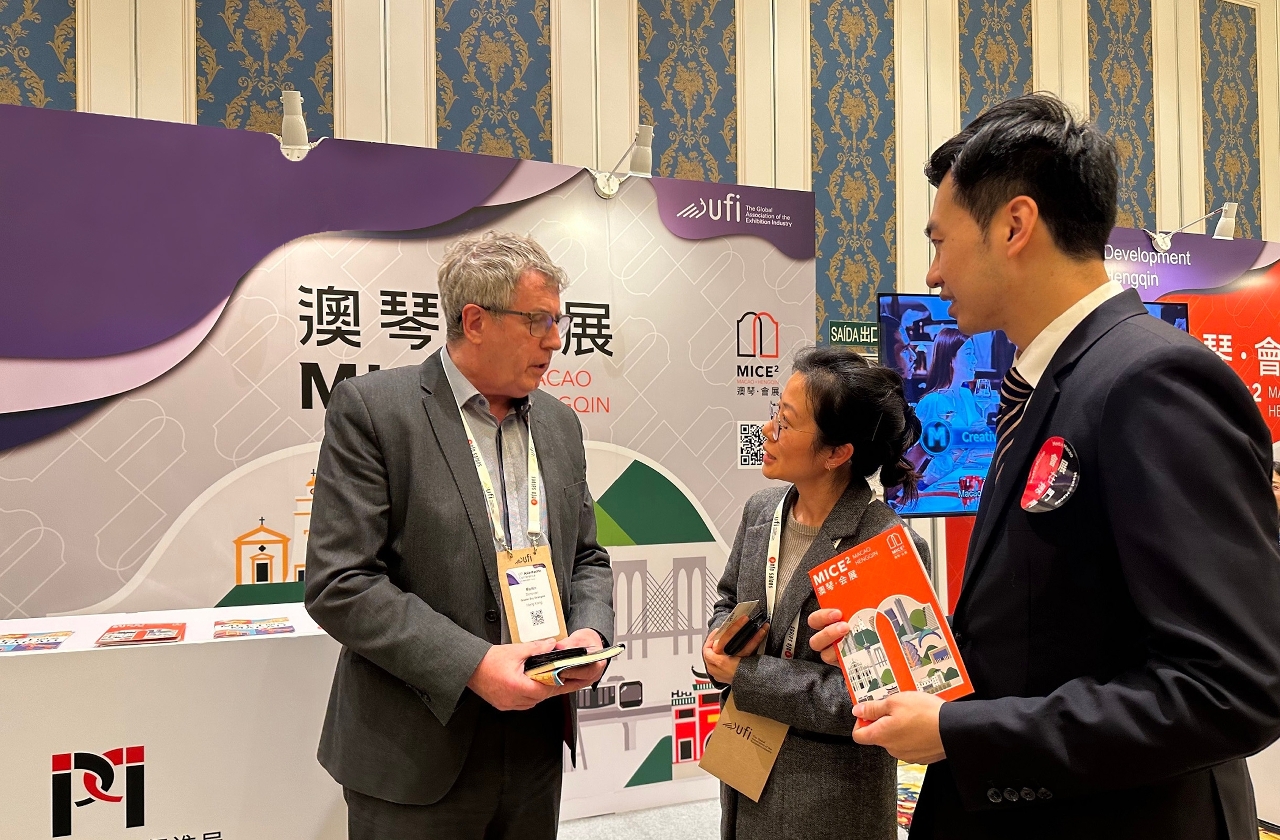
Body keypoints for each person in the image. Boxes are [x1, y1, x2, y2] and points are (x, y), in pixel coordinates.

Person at [808, 93, 1280, 839]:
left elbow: (1230, 688)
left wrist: (964, 733)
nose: (933, 272)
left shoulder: (1150, 381)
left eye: (941, 240)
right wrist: (902, 653)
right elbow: (1055, 624)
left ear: (1014, 225)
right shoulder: (1049, 384)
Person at [304, 231, 615, 839]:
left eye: (559, 321)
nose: (555, 340)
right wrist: (473, 665)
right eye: (538, 321)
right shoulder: (374, 410)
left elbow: (586, 557)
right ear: (475, 321)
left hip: (533, 745)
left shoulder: (559, 424)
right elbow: (340, 581)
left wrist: (590, 633)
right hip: (414, 752)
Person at [704, 347, 931, 840]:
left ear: (836, 453)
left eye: (785, 423)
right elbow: (728, 598)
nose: (766, 431)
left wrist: (749, 675)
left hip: (830, 799)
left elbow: (879, 698)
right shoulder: (762, 511)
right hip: (745, 770)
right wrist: (722, 640)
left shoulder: (883, 546)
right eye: (774, 414)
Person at [911, 328, 989, 488]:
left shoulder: (966, 394)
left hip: (966, 480)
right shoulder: (933, 402)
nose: (975, 360)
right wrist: (964, 441)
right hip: (936, 487)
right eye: (968, 354)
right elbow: (922, 473)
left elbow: (978, 440)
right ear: (950, 360)